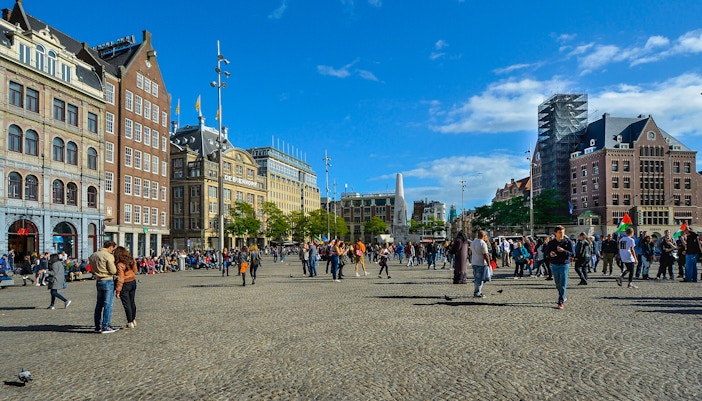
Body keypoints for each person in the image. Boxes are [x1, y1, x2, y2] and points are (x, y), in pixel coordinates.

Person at [89, 240, 119, 334]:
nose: (113, 251)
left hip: (98, 280)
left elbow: (92, 268)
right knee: (108, 304)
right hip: (107, 280)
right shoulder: (108, 256)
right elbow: (113, 270)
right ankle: (106, 325)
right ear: (110, 247)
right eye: (113, 249)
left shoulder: (94, 255)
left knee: (99, 304)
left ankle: (98, 325)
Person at [546, 225, 574, 309]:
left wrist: (564, 251)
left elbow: (573, 254)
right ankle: (563, 295)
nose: (562, 234)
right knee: (557, 284)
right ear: (555, 233)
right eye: (560, 232)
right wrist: (550, 254)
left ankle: (560, 301)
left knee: (563, 283)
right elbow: (547, 253)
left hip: (564, 264)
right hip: (554, 264)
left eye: (563, 232)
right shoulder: (551, 243)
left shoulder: (567, 242)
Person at [114, 246, 138, 329]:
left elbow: (120, 278)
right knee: (132, 302)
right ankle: (133, 320)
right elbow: (135, 271)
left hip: (125, 283)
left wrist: (118, 290)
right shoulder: (131, 260)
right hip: (133, 281)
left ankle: (130, 321)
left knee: (126, 303)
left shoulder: (119, 264)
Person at [470, 230, 491, 298]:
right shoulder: (482, 243)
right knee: (479, 279)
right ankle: (477, 293)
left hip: (474, 262)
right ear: (483, 236)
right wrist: (489, 264)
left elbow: (470, 252)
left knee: (476, 278)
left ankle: (477, 291)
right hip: (480, 263)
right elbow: (486, 255)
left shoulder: (473, 242)